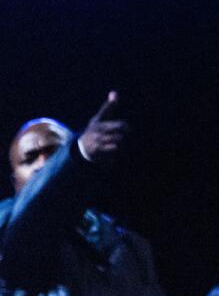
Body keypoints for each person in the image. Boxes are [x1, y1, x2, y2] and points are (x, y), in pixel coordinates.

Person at [0, 92, 164, 295]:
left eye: (54, 153)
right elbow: (34, 215)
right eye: (29, 159)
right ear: (15, 181)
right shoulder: (6, 226)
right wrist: (78, 152)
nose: (42, 165)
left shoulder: (130, 246)